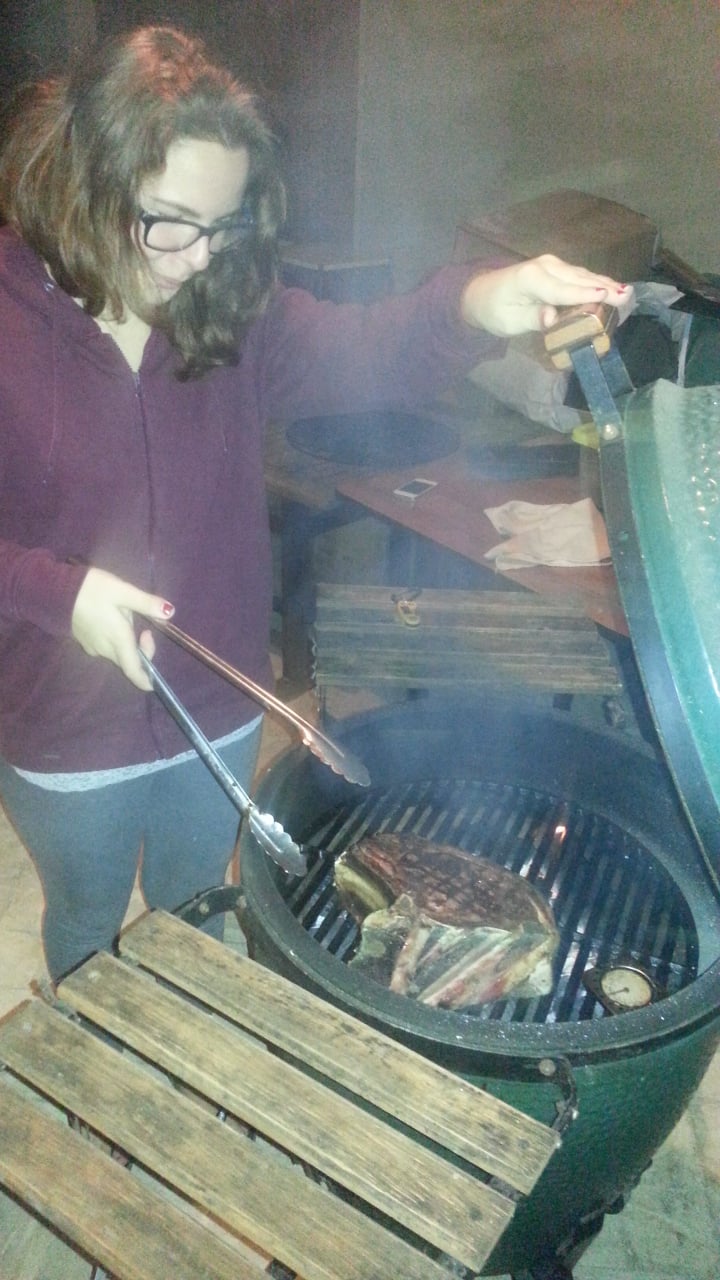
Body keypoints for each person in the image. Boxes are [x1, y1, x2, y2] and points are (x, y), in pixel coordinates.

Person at [0, 25, 629, 984]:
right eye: (169, 221)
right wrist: (61, 592)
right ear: (90, 176)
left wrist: (477, 301)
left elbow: (365, 347)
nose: (195, 260)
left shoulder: (223, 299)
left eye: (222, 227)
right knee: (86, 918)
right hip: (61, 719)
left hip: (220, 699)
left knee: (195, 905)